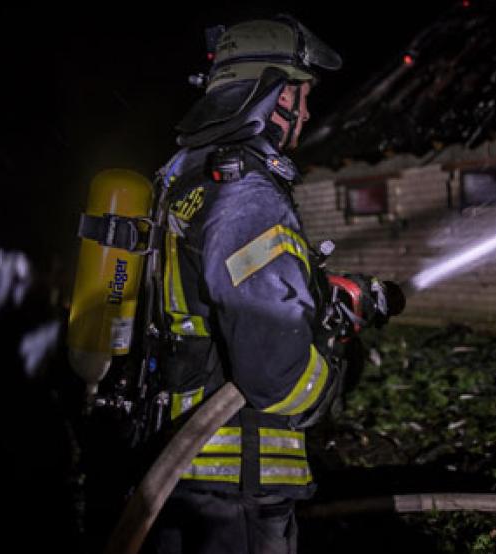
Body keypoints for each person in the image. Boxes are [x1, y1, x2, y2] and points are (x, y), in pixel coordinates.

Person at [145, 14, 344, 554]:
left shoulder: (184, 178)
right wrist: (328, 375)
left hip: (184, 473)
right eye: (300, 94)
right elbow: (274, 372)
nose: (306, 111)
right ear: (271, 94)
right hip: (237, 485)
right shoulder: (247, 196)